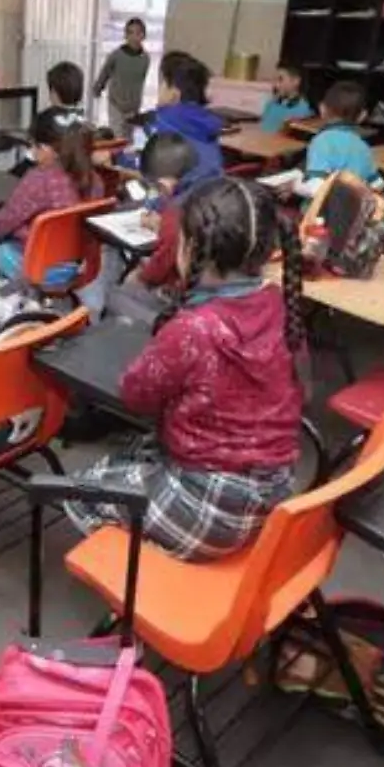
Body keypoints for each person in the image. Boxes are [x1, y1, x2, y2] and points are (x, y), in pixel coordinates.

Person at [63, 178, 305, 561]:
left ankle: (150, 577)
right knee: (134, 455)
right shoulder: (280, 304)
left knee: (80, 491)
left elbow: (135, 394)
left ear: (189, 248)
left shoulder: (193, 329)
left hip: (211, 504)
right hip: (273, 493)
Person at [0, 108, 103, 279]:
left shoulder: (39, 180)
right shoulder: (95, 179)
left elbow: (3, 224)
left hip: (38, 267)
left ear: (45, 149)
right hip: (79, 265)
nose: (32, 152)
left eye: (33, 146)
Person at [104, 132, 201, 324]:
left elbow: (160, 269)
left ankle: (159, 326)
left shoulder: (175, 216)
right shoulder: (211, 191)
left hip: (186, 302)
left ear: (162, 185)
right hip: (210, 293)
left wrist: (140, 275)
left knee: (115, 296)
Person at [115, 51, 224, 182]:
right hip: (210, 196)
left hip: (173, 199)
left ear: (174, 94)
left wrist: (113, 159)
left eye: (162, 84)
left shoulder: (159, 124)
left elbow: (140, 164)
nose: (159, 89)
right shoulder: (208, 125)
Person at [304, 81, 377, 182]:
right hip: (356, 197)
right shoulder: (364, 148)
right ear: (362, 116)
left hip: (328, 196)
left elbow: (315, 185)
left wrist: (295, 185)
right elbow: (376, 184)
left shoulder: (321, 141)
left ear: (322, 109)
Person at [94, 18, 151, 137]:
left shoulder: (145, 58)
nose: (134, 37)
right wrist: (98, 87)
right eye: (130, 33)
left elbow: (141, 80)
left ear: (143, 36)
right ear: (125, 35)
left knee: (128, 138)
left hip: (133, 106)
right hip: (116, 103)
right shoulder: (116, 55)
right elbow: (105, 72)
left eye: (138, 33)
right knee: (117, 136)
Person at [261, 64, 312, 133]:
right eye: (274, 80)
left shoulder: (304, 111)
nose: (276, 85)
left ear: (296, 81)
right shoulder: (270, 104)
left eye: (280, 80)